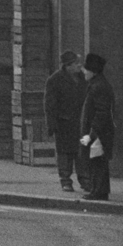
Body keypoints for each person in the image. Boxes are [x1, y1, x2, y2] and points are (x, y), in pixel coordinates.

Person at [43, 50, 87, 193]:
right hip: (64, 123)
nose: (79, 66)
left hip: (80, 122)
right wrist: (52, 125)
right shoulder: (55, 80)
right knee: (65, 154)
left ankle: (85, 180)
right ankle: (66, 181)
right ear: (68, 66)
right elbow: (50, 105)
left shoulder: (83, 78)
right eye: (76, 63)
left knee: (81, 153)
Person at [78, 52, 115, 201]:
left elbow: (101, 112)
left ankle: (98, 191)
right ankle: (98, 190)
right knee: (96, 160)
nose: (84, 73)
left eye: (86, 70)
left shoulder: (98, 87)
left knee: (97, 161)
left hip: (98, 132)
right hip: (99, 131)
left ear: (92, 72)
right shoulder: (98, 84)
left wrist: (92, 133)